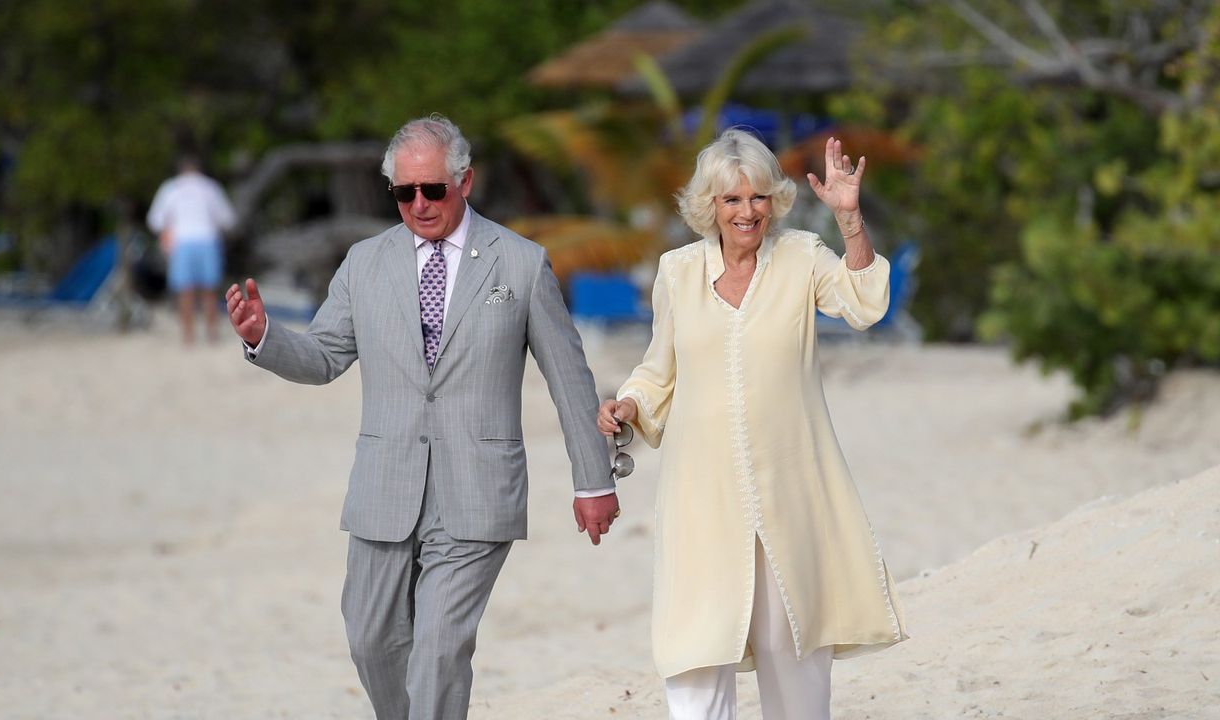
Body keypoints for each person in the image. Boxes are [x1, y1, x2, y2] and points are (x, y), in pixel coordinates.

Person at [224, 114, 620, 720]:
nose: (418, 204)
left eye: (432, 189)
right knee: (371, 641)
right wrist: (266, 337)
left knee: (438, 650)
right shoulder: (363, 263)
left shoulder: (520, 263)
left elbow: (569, 378)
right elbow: (325, 357)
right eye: (404, 192)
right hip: (385, 487)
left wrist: (594, 481)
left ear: (465, 181)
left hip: (478, 491)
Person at [598, 129, 907, 719]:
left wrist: (849, 220)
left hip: (790, 492)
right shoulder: (677, 271)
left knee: (791, 648)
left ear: (775, 201)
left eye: (758, 198)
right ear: (708, 206)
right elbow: (657, 369)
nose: (748, 212)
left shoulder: (802, 257)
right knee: (695, 647)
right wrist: (630, 405)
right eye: (732, 200)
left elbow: (865, 302)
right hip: (701, 494)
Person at [147, 154, 237, 345]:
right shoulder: (210, 187)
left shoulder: (170, 188)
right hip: (207, 239)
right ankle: (212, 334)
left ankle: (188, 336)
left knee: (184, 290)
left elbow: (155, 221)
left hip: (181, 242)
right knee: (209, 290)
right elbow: (227, 220)